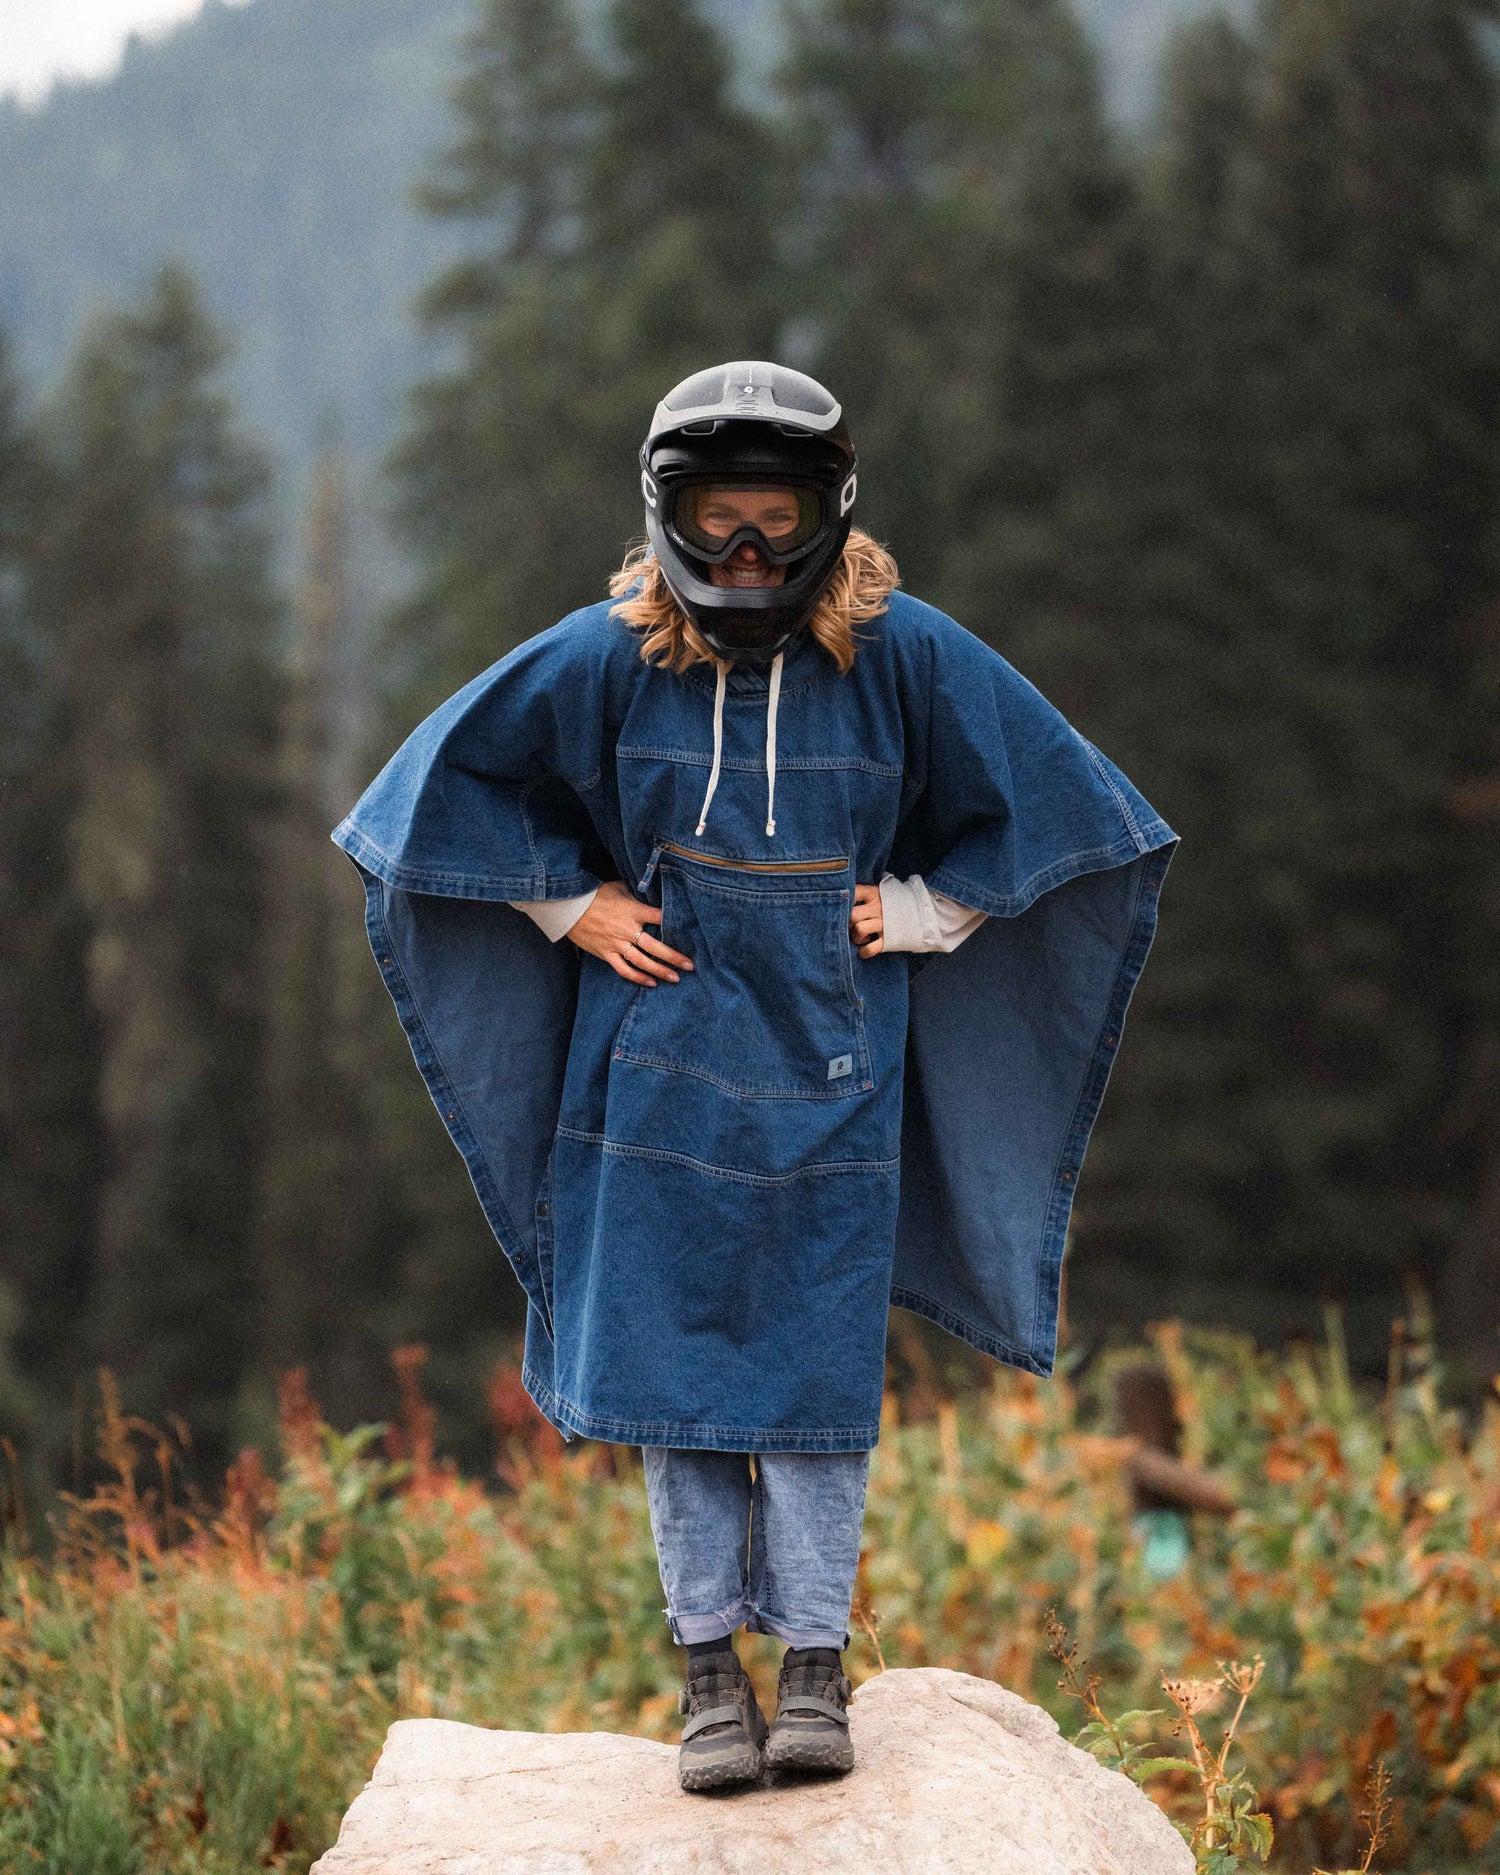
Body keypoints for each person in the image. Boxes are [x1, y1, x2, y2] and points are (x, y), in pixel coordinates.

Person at [333, 360, 1176, 1792]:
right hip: (649, 1086)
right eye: (717, 517)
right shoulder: (613, 654)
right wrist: (567, 904)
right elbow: (433, 790)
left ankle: (812, 1675)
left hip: (834, 1088)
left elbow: (1064, 802)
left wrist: (922, 911)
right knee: (674, 1399)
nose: (745, 553)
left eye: (775, 518)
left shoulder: (897, 654)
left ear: (829, 516)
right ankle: (707, 1680)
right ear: (665, 513)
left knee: (811, 1400)